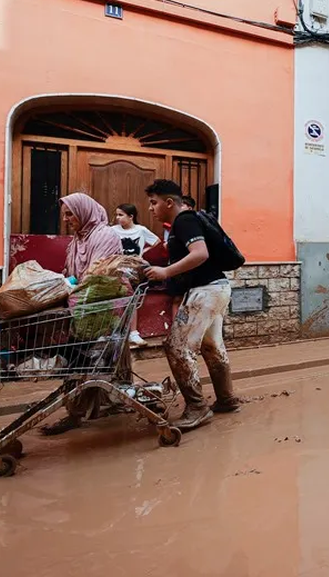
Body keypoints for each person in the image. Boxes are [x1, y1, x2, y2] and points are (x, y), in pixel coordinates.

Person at [143, 180, 240, 431]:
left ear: (169, 202)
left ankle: (197, 408)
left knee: (177, 347)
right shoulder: (182, 224)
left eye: (154, 203)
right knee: (211, 345)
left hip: (206, 291)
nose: (151, 208)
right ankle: (226, 399)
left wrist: (165, 272)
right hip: (215, 288)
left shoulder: (184, 221)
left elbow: (200, 253)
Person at [41, 193, 123, 435]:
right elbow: (73, 273)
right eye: (64, 215)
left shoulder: (105, 236)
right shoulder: (78, 240)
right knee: (89, 362)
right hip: (84, 309)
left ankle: (78, 413)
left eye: (70, 214)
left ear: (84, 212)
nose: (66, 219)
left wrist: (72, 290)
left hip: (101, 310)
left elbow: (98, 276)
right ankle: (92, 408)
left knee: (90, 362)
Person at [111, 204, 159, 347]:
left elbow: (156, 242)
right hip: (117, 270)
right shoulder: (112, 230)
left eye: (121, 215)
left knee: (132, 299)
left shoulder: (141, 230)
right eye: (117, 215)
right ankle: (115, 332)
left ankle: (133, 332)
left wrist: (144, 252)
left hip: (134, 271)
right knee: (116, 300)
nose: (117, 218)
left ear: (131, 216)